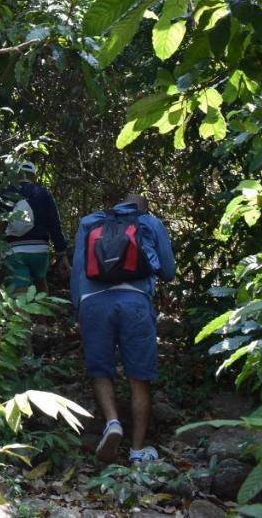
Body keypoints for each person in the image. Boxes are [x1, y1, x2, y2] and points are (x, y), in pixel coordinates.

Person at [70, 192, 175, 465]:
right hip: (134, 302)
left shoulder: (89, 222)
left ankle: (113, 422)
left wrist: (78, 307)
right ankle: (138, 450)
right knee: (139, 375)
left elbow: (78, 271)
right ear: (142, 208)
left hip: (93, 304)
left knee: (100, 368)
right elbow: (168, 271)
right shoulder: (149, 223)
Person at [0, 160, 69, 294]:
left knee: (20, 293)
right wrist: (62, 253)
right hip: (40, 250)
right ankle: (43, 314)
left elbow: (1, 224)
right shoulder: (43, 193)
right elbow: (54, 225)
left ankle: (23, 314)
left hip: (15, 251)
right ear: (34, 177)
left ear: (16, 175)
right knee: (41, 283)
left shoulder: (6, 194)